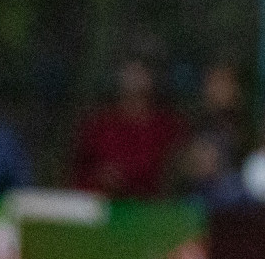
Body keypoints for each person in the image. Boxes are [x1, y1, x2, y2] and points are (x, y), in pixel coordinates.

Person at [71, 57, 188, 199]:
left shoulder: (168, 126)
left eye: (141, 71)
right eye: (129, 71)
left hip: (150, 206)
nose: (134, 78)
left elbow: (173, 173)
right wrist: (102, 178)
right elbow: (80, 170)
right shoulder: (99, 123)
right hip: (101, 204)